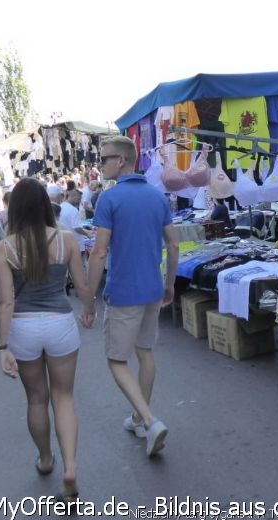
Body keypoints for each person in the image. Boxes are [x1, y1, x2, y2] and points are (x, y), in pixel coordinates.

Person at [0, 178, 94, 506]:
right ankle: (71, 467)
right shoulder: (66, 240)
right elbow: (81, 284)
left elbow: (5, 302)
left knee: (37, 400)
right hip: (60, 324)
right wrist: (89, 310)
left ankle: (46, 459)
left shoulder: (3, 248)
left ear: (14, 209)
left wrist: (2, 346)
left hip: (23, 329)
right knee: (63, 398)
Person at [87, 135, 179, 457]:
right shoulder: (157, 196)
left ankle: (151, 421)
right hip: (153, 288)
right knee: (145, 352)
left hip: (124, 292)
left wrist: (87, 300)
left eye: (103, 159)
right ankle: (140, 418)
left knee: (116, 360)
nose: (100, 166)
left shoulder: (108, 199)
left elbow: (98, 253)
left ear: (121, 161)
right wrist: (169, 283)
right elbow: (174, 243)